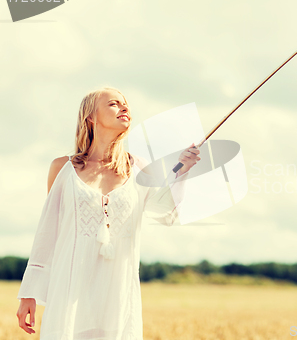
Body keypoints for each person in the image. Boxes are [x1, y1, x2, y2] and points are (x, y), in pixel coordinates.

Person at [15, 86, 201, 339]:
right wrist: (29, 292)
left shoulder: (139, 169)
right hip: (70, 291)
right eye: (114, 103)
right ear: (90, 116)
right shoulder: (62, 168)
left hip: (117, 293)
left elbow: (165, 213)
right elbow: (48, 232)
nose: (125, 108)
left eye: (126, 104)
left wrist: (182, 171)